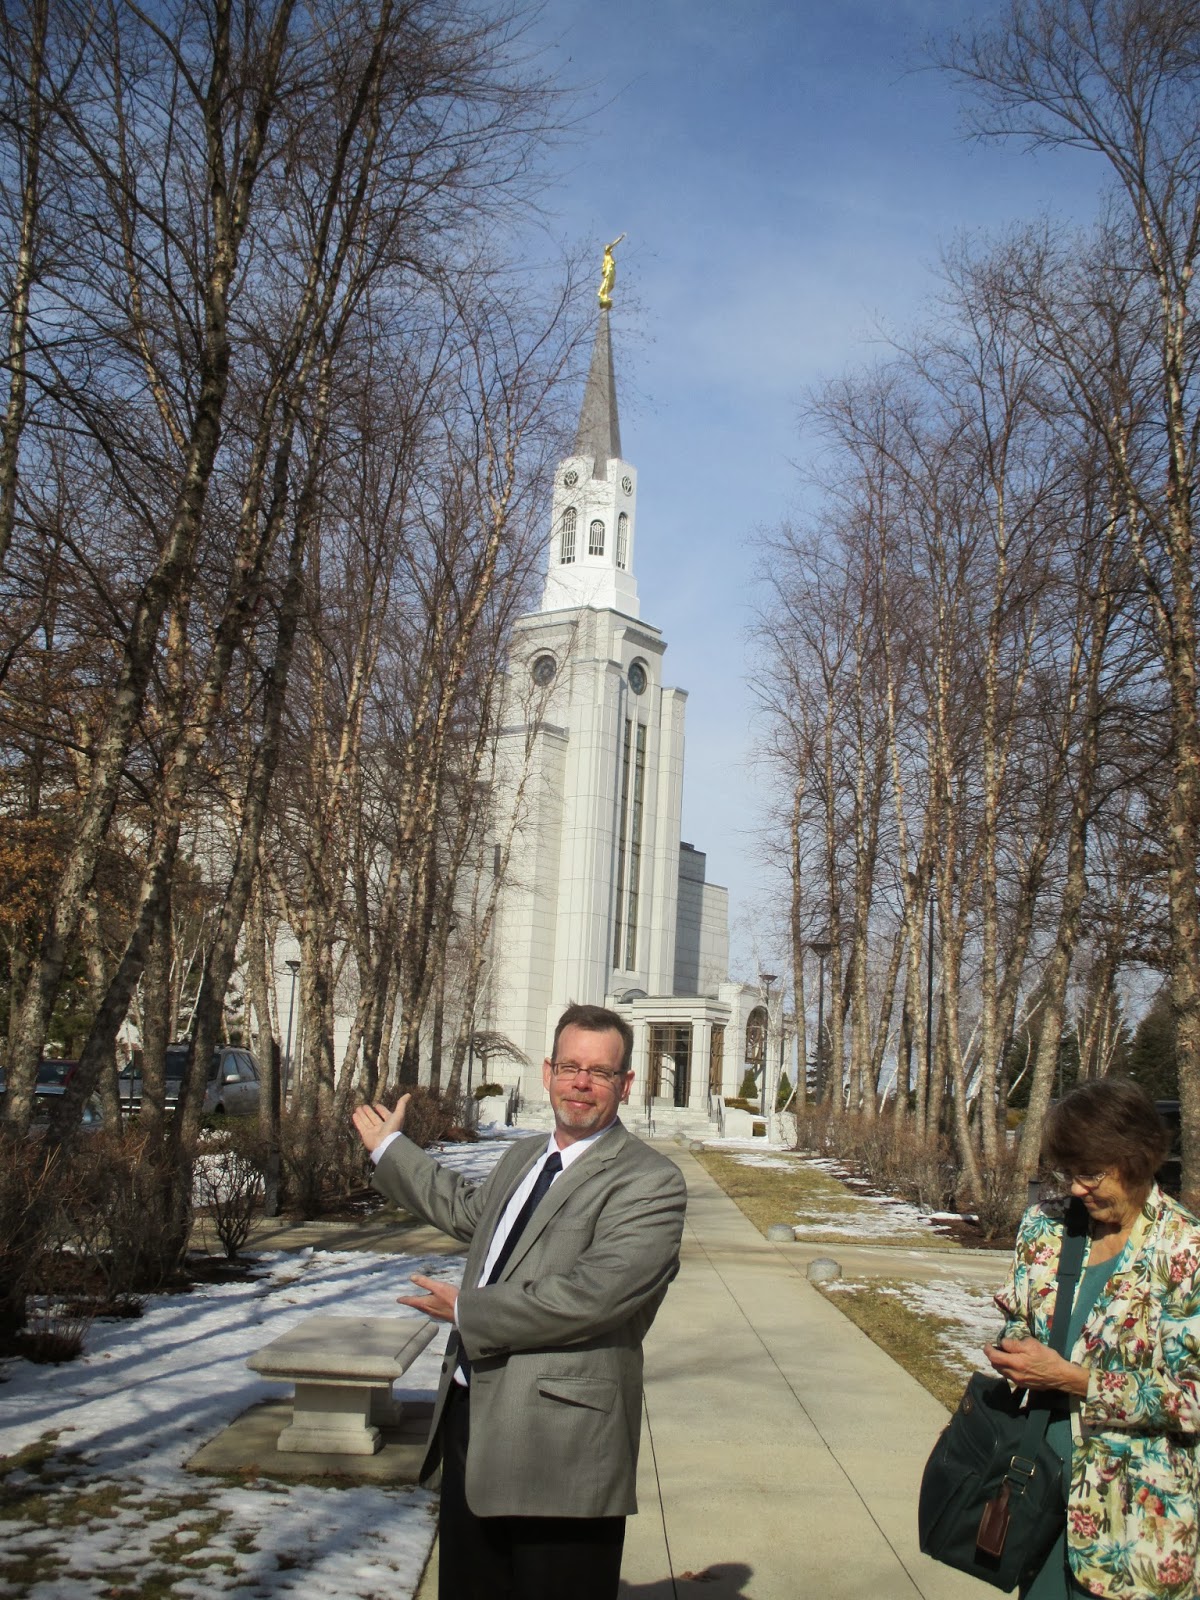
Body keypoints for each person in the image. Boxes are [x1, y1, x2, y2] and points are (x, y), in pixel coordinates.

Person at [351, 1002, 687, 1600]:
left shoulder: (649, 1181)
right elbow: (466, 1210)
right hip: (473, 1419)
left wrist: (467, 1312)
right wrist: (390, 1149)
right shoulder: (523, 1157)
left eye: (600, 1072)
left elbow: (593, 1296)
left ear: (626, 1083)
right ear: (548, 1072)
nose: (581, 1083)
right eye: (570, 1067)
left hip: (562, 1446)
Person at [986, 1078, 1200, 1599]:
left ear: (1136, 1159)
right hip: (1037, 1496)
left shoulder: (1185, 1250)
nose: (1077, 1189)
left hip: (1137, 1531)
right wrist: (1015, 1348)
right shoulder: (1044, 1227)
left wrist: (1075, 1381)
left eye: (1089, 1173)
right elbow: (1018, 1314)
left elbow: (1191, 1399)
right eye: (1068, 1173)